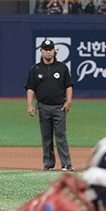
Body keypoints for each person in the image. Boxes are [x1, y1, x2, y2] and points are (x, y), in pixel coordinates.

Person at [25, 39, 75, 172]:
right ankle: (48, 164)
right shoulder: (35, 69)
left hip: (59, 107)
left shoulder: (62, 67)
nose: (48, 52)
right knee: (46, 137)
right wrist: (30, 105)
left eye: (50, 49)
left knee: (61, 136)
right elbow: (31, 88)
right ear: (41, 51)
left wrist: (68, 102)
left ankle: (66, 164)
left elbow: (68, 86)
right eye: (45, 49)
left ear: (54, 51)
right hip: (43, 106)